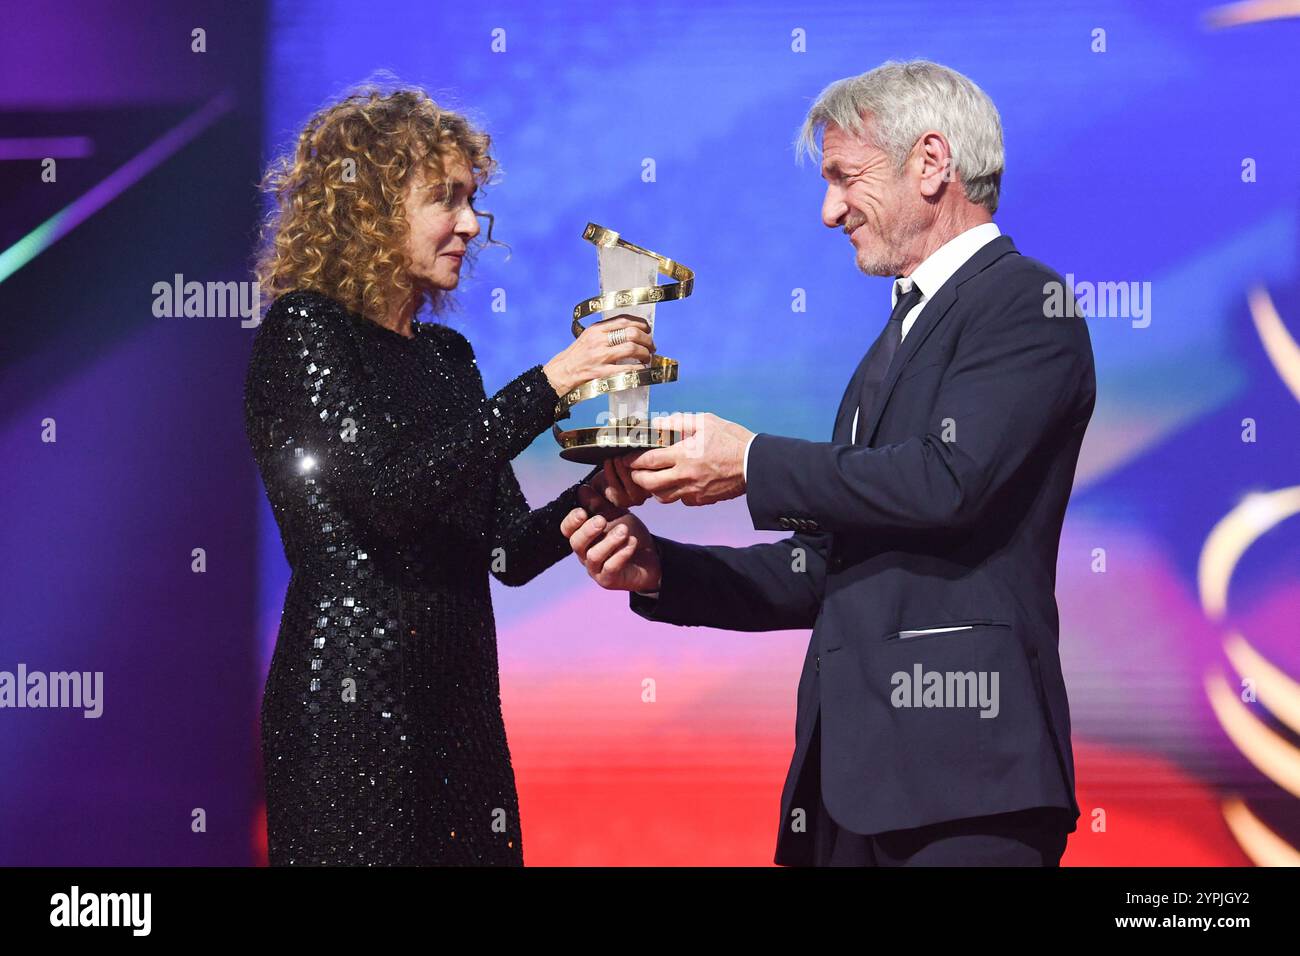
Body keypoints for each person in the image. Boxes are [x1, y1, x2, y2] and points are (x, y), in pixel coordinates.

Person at [562, 60, 1097, 866]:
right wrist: (658, 571)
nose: (828, 210)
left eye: (846, 177)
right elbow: (824, 570)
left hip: (969, 783)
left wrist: (752, 462)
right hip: (847, 790)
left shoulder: (1023, 301)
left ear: (930, 163)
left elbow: (948, 481)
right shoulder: (890, 346)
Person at [244, 83, 650, 865]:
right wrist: (554, 380)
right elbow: (388, 493)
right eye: (446, 199)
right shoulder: (306, 332)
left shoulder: (447, 359)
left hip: (460, 708)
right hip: (351, 710)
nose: (470, 224)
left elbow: (508, 552)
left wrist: (597, 492)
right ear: (367, 208)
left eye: (473, 200)